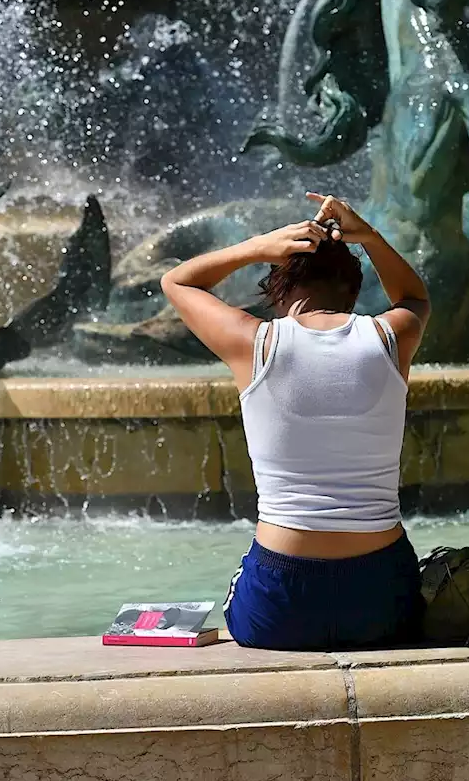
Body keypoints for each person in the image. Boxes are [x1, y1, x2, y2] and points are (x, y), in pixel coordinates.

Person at [160, 192, 430, 650]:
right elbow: (413, 295)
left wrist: (257, 246)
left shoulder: (255, 342)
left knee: (239, 588)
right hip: (382, 602)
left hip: (280, 606)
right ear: (353, 290)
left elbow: (177, 283)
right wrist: (368, 236)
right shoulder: (391, 335)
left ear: (281, 291)